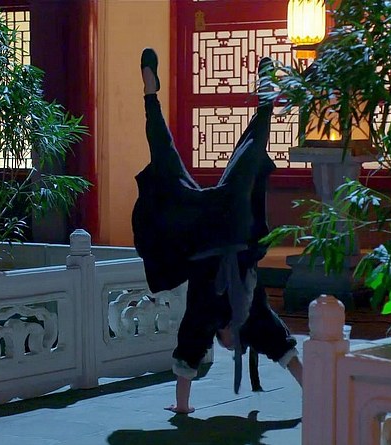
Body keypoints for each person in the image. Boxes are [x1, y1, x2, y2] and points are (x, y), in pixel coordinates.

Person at [132, 48, 303, 415]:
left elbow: (286, 353)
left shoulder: (222, 317)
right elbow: (286, 353)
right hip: (206, 229)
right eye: (230, 345)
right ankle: (150, 96)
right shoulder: (242, 318)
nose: (226, 345)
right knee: (167, 159)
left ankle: (263, 98)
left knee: (249, 152)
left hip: (226, 227)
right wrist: (182, 405)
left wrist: (182, 407)